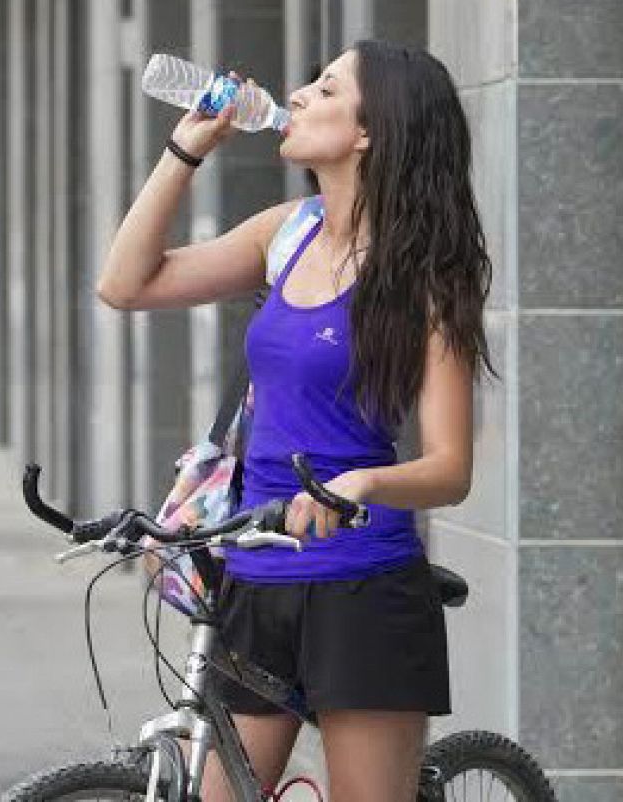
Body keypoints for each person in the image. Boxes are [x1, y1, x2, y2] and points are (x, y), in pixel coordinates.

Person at [97, 41, 491, 801]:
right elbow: (124, 284)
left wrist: (363, 480)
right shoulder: (289, 230)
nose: (298, 95)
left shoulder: (424, 277)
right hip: (252, 573)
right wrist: (186, 148)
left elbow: (451, 468)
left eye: (326, 88)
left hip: (363, 584)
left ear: (370, 130)